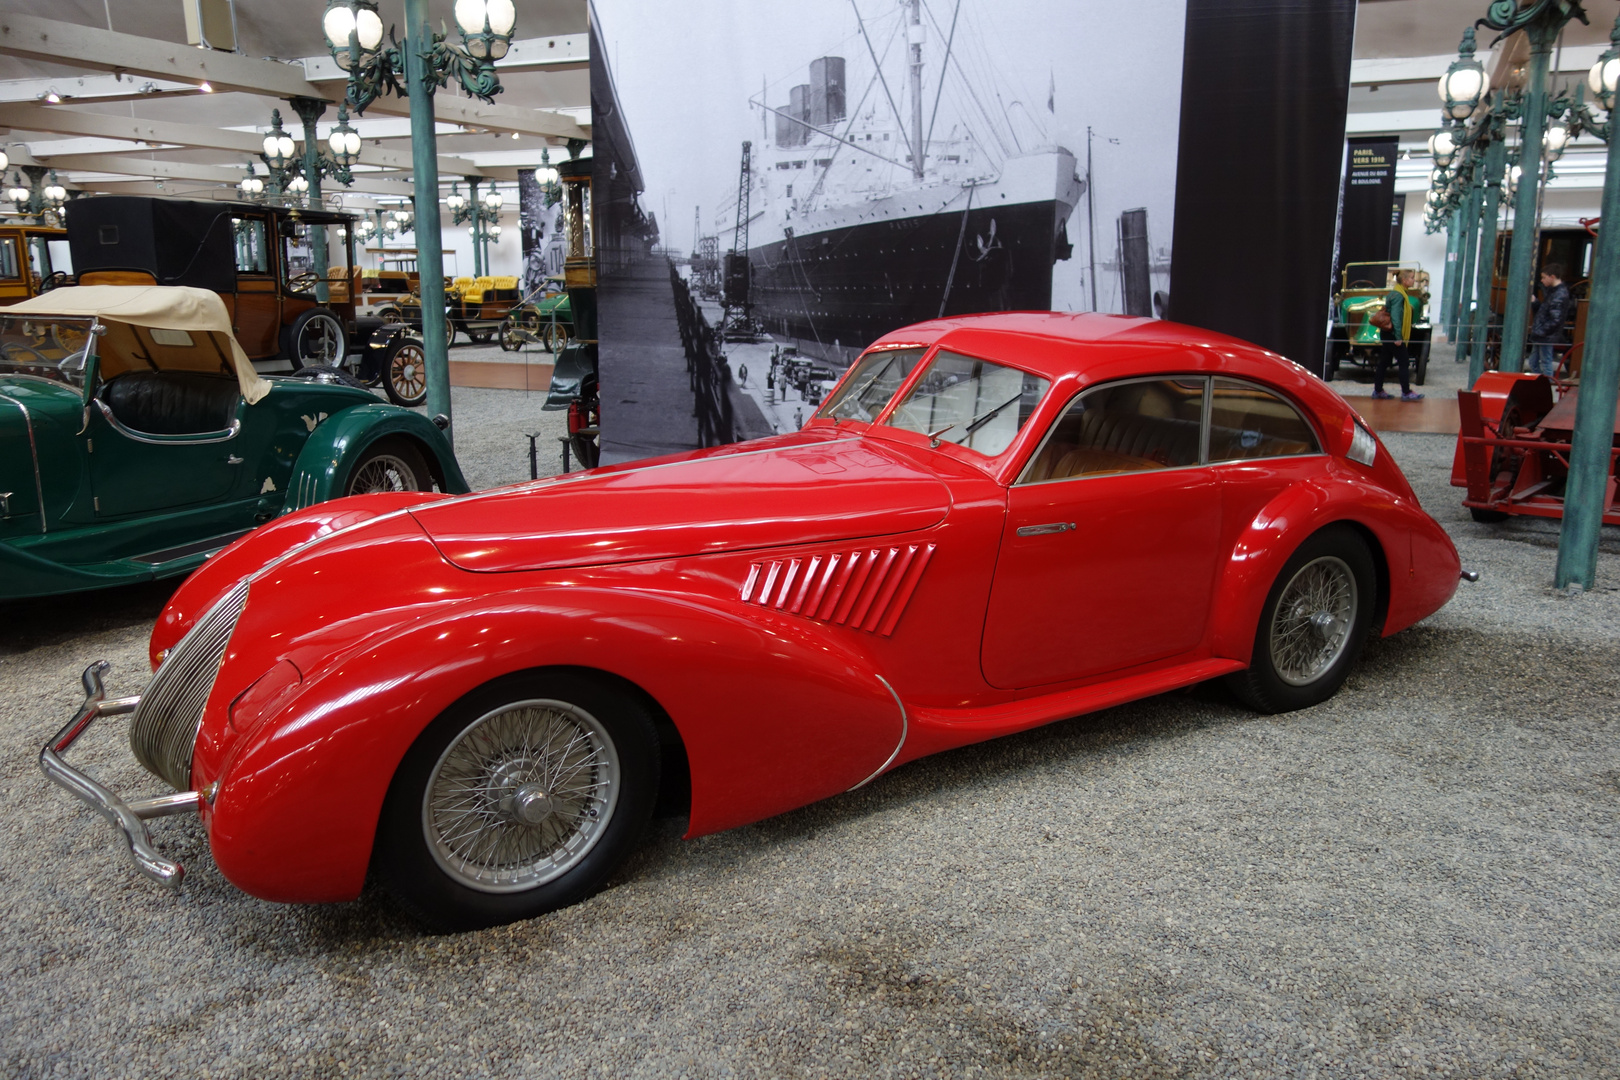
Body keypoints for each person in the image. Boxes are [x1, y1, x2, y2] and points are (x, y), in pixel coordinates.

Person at [1373, 268, 1424, 401]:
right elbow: (1395, 317)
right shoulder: (1399, 295)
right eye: (1412, 278)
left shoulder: (1396, 293)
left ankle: (1378, 390)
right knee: (1403, 361)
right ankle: (1406, 392)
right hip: (1392, 335)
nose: (1414, 280)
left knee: (1384, 362)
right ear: (1405, 280)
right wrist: (1398, 337)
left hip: (1387, 334)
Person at [1528, 262, 1571, 379]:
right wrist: (1536, 303)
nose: (1542, 280)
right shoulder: (1555, 292)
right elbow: (1548, 313)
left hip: (1545, 335)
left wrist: (1541, 331)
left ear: (1552, 277)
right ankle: (1541, 384)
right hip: (1543, 334)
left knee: (1544, 362)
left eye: (1544, 277)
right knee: (1534, 361)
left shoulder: (1558, 294)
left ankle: (1545, 384)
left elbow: (1555, 319)